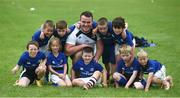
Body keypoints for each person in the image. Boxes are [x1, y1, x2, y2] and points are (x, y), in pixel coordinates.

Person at [96, 17, 116, 83]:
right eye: (100, 29)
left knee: (113, 60)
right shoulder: (96, 27)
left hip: (113, 45)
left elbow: (123, 24)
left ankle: (113, 76)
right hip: (104, 45)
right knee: (105, 61)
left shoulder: (112, 26)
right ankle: (108, 73)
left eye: (104, 28)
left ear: (108, 26)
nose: (102, 30)